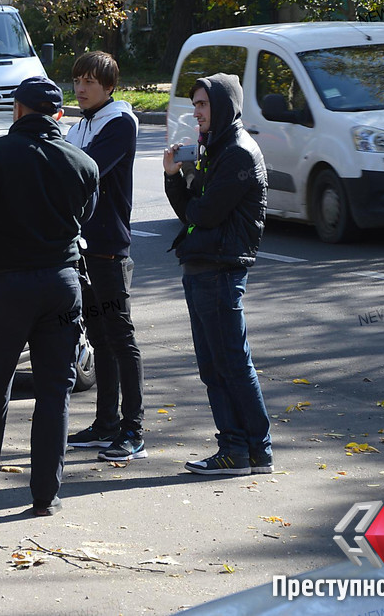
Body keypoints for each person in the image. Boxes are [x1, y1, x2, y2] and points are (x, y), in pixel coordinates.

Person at [0, 76, 99, 516]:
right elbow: (85, 217)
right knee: (54, 393)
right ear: (59, 115)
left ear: (18, 110)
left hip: (7, 288)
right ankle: (46, 494)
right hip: (62, 288)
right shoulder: (84, 163)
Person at [163, 73, 273, 476]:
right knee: (216, 365)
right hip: (205, 266)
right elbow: (191, 213)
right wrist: (177, 177)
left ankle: (245, 449)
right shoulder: (218, 147)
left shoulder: (238, 153)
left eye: (204, 104)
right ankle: (244, 450)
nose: (197, 113)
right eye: (195, 105)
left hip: (220, 269)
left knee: (229, 363)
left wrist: (181, 185)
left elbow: (203, 214)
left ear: (225, 105)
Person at [64, 51, 146, 462]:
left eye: (89, 82)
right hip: (83, 248)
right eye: (77, 80)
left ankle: (134, 429)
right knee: (98, 337)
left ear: (109, 87)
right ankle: (105, 423)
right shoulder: (79, 125)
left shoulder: (120, 122)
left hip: (110, 249)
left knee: (120, 337)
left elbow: (85, 169)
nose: (80, 88)